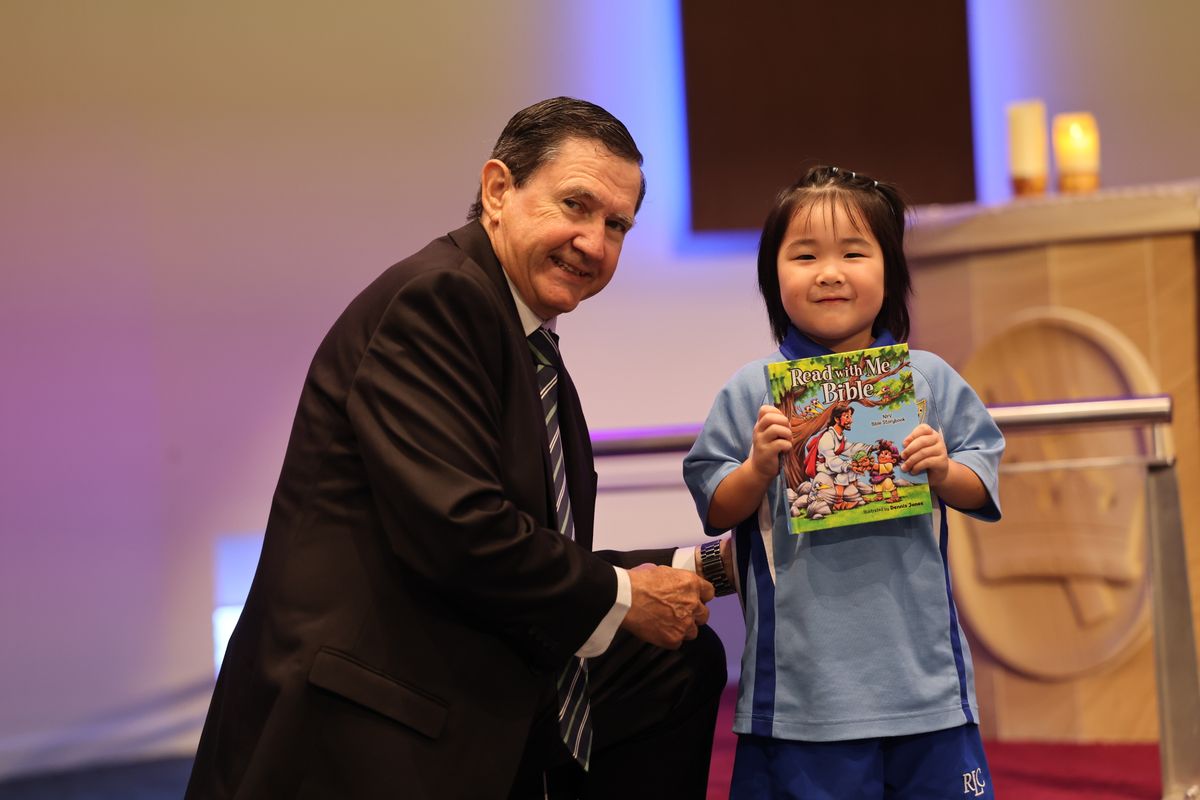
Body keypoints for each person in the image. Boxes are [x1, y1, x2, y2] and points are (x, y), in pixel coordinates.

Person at [185, 97, 734, 800]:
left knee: (672, 667)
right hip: (367, 711)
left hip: (454, 669)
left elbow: (530, 544)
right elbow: (462, 531)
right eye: (576, 205)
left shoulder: (526, 340)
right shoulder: (441, 298)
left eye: (616, 225)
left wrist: (710, 566)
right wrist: (628, 597)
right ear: (498, 190)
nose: (595, 244)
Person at [683, 166, 1004, 799]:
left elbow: (983, 479)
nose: (829, 273)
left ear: (891, 271)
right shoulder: (752, 390)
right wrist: (756, 468)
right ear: (773, 277)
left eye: (854, 253)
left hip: (927, 687)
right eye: (805, 256)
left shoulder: (927, 378)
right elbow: (716, 506)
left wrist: (944, 470)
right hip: (801, 696)